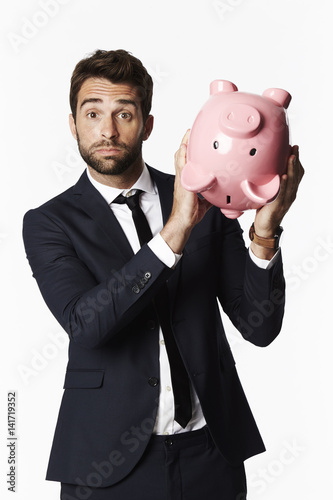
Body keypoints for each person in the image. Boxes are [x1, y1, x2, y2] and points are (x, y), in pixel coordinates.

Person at [23, 49, 304, 500]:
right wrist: (174, 231)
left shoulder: (207, 198)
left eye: (125, 114)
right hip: (105, 465)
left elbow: (261, 326)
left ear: (147, 125)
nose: (108, 130)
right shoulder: (49, 222)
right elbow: (87, 324)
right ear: (73, 124)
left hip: (210, 452)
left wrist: (265, 233)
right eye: (92, 113)